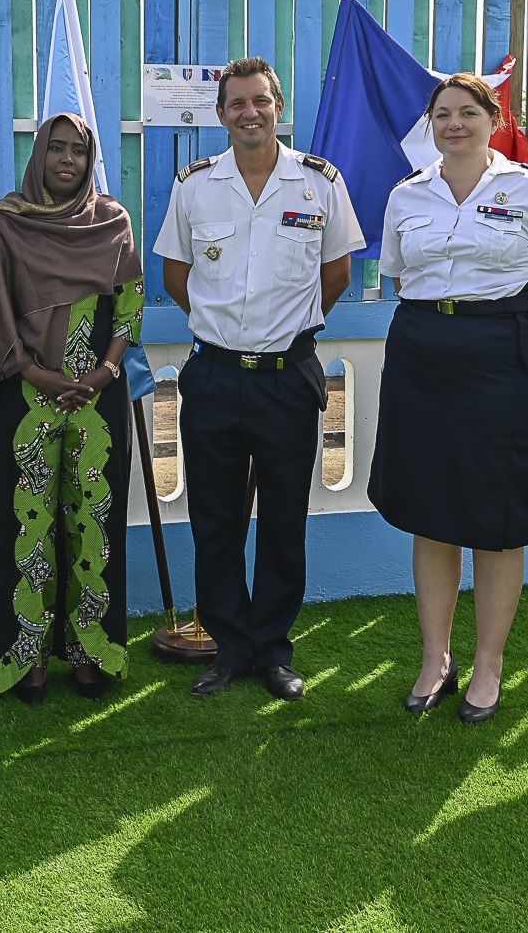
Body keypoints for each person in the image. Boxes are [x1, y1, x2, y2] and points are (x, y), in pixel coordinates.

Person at [368, 74, 528, 724]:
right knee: (431, 512)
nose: (454, 123)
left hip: (505, 359)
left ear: (493, 117)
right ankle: (436, 659)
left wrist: (513, 333)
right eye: (442, 114)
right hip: (422, 353)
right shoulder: (407, 195)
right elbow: (399, 278)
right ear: (430, 124)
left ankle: (488, 664)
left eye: (467, 112)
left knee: (497, 516)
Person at [153, 57, 365, 700]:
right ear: (221, 115)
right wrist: (225, 332)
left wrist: (285, 331)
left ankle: (273, 649)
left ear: (279, 108)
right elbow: (176, 275)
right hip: (215, 374)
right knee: (214, 519)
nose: (250, 113)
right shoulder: (195, 187)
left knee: (281, 520)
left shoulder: (319, 184)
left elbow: (336, 275)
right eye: (237, 104)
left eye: (261, 101)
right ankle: (228, 646)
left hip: (287, 376)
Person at [0, 113, 144, 704]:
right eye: (56, 149)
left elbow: (131, 300)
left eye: (79, 152)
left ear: (91, 161)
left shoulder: (113, 222)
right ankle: (23, 659)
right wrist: (35, 372)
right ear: (39, 156)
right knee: (24, 527)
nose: (67, 160)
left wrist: (104, 370)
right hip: (25, 398)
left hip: (97, 397)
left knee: (94, 523)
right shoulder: (5, 226)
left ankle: (91, 653)